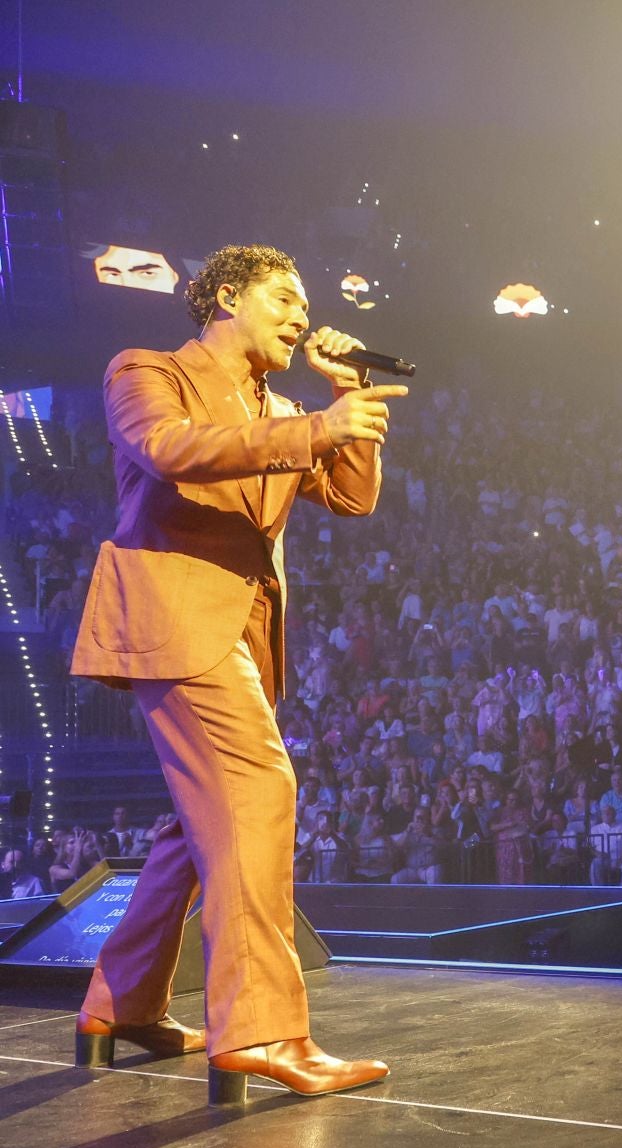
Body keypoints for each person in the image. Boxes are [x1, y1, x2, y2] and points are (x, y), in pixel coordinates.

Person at [70, 244, 402, 1099]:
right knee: (258, 789)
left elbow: (354, 498)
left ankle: (121, 1003)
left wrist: (343, 404)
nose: (301, 315)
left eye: (305, 302)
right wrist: (312, 429)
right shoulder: (148, 372)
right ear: (225, 296)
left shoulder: (281, 405)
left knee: (193, 829)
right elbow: (172, 450)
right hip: (175, 618)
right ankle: (261, 1031)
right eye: (284, 297)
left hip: (243, 634)